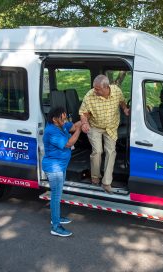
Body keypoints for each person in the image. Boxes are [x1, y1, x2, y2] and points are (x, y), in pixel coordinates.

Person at [79, 75, 129, 194]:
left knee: (111, 151)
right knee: (97, 151)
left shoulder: (116, 91)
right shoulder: (90, 95)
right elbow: (83, 113)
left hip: (111, 127)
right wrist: (84, 123)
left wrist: (125, 109)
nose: (94, 91)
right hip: (94, 126)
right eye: (94, 88)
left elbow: (122, 102)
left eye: (97, 89)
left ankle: (106, 182)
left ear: (106, 87)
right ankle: (95, 177)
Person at [42, 106, 81, 237]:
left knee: (57, 194)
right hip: (54, 168)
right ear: (54, 119)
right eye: (62, 118)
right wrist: (80, 129)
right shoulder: (51, 131)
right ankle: (56, 226)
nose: (65, 120)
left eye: (65, 117)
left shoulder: (60, 125)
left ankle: (56, 217)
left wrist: (83, 121)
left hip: (60, 166)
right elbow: (69, 143)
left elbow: (73, 126)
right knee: (56, 196)